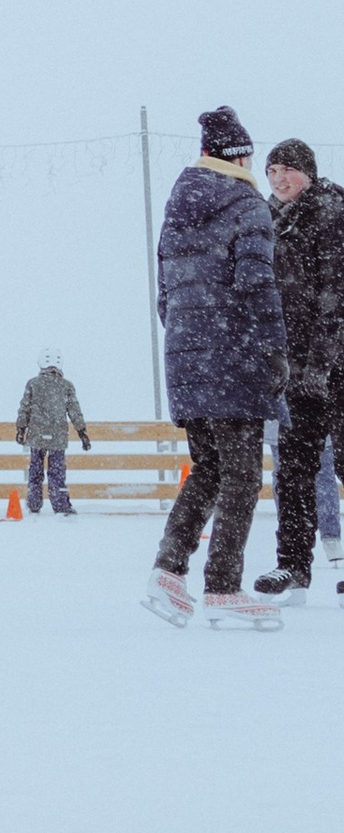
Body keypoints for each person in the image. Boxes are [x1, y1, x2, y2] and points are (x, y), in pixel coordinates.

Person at [148, 105, 286, 630]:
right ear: (242, 155)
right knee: (242, 475)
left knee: (208, 468)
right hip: (236, 356)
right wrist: (273, 349)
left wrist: (193, 344)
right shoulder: (248, 203)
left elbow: (165, 298)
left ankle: (168, 569)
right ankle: (224, 588)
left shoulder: (177, 207)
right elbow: (257, 284)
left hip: (188, 358)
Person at [257, 137, 344, 596]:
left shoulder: (332, 212)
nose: (279, 179)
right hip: (295, 371)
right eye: (271, 172)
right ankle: (292, 565)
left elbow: (335, 295)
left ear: (308, 172)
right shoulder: (270, 221)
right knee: (293, 469)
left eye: (287, 170)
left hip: (337, 365)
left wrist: (323, 362)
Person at [13, 353, 90, 516]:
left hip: (37, 435)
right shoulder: (66, 385)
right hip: (57, 437)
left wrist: (21, 429)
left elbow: (24, 408)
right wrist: (82, 432)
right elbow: (74, 410)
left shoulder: (33, 384)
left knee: (35, 471)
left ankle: (34, 503)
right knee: (57, 472)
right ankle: (60, 504)